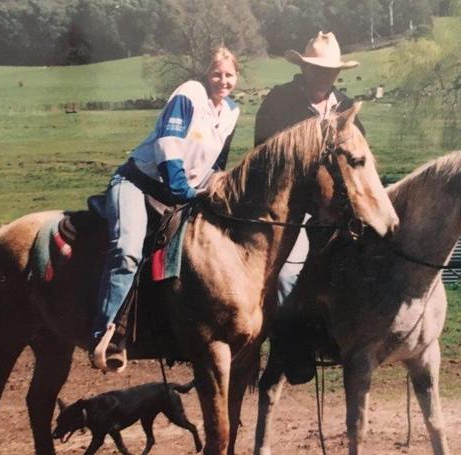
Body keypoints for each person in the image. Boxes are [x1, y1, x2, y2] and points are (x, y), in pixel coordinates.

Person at [91, 47, 240, 372]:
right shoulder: (190, 94)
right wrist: (181, 188)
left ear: (237, 77)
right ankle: (106, 334)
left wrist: (216, 188)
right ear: (206, 74)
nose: (223, 81)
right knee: (128, 251)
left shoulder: (231, 111)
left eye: (229, 75)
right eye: (217, 74)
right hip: (140, 184)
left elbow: (217, 163)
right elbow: (167, 143)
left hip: (182, 193)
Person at [254, 31, 364, 304]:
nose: (324, 76)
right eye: (317, 69)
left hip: (339, 207)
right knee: (286, 276)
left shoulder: (346, 107)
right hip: (289, 206)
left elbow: (360, 156)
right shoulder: (279, 101)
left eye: (331, 71)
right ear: (304, 68)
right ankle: (286, 336)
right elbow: (262, 153)